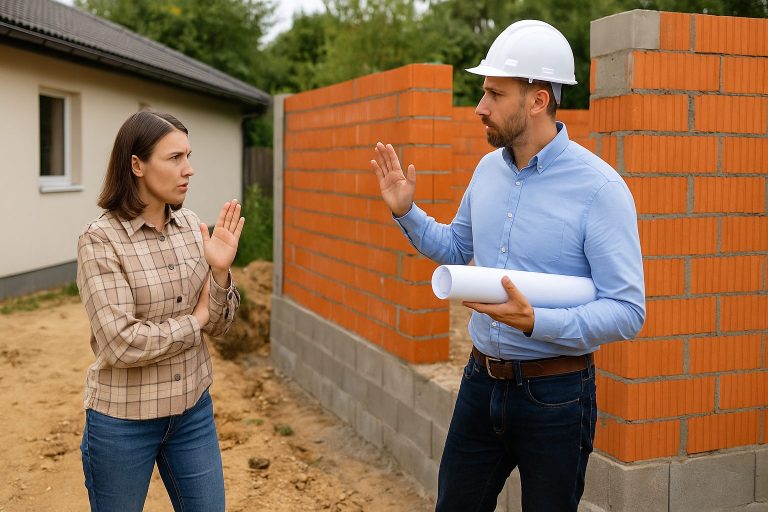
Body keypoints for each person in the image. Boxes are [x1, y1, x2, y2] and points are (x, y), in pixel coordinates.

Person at [370, 20, 645, 512]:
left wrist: (537, 321)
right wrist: (406, 211)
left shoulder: (600, 190)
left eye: (495, 94)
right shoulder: (487, 170)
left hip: (557, 396)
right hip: (480, 385)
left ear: (537, 100)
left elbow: (627, 311)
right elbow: (456, 249)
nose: (481, 107)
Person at [76, 111, 244, 511]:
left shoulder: (192, 227)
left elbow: (221, 326)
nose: (189, 169)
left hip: (193, 414)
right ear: (137, 165)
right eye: (175, 158)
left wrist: (220, 273)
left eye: (188, 156)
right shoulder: (100, 240)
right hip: (123, 423)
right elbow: (121, 344)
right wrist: (195, 320)